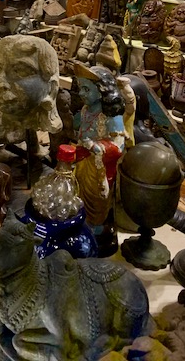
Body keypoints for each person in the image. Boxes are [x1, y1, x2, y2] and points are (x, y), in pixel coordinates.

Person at [73, 62, 125, 254]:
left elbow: (118, 146)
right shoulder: (86, 110)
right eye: (80, 88)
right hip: (82, 161)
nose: (81, 93)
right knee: (78, 191)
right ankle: (82, 220)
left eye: (87, 89)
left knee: (98, 198)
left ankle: (96, 226)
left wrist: (95, 147)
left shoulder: (111, 116)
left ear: (102, 91)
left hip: (101, 168)